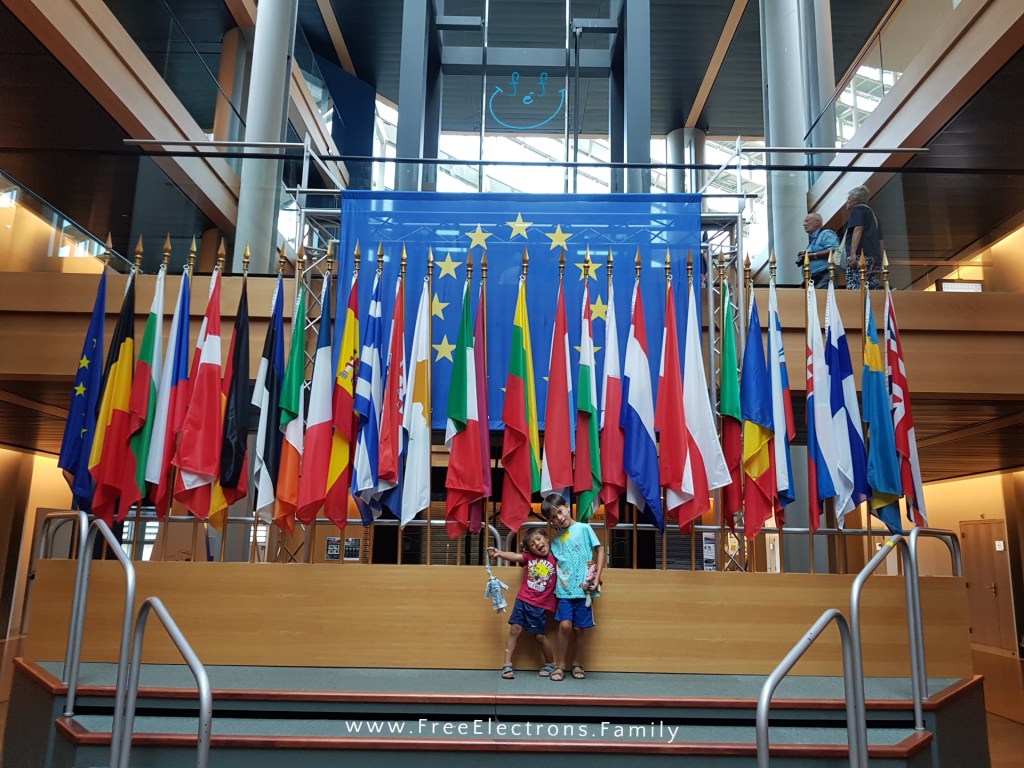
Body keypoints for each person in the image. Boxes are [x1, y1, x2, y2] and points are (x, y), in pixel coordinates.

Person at [540, 494, 605, 682]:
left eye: (559, 512)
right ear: (550, 521)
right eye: (553, 517)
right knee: (565, 625)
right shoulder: (555, 541)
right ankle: (559, 665)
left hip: (584, 589)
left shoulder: (584, 528)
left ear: (567, 507)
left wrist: (597, 576)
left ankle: (577, 663)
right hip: (564, 591)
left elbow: (600, 549)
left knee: (579, 629)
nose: (558, 518)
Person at [486, 528, 557, 679]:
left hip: (540, 605)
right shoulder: (529, 557)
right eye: (532, 543)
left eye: (538, 539)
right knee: (514, 630)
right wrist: (499, 553)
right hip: (523, 600)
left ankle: (551, 662)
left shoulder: (557, 558)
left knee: (539, 636)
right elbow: (514, 556)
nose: (537, 544)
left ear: (546, 538)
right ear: (529, 549)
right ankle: (507, 664)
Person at [843, 185, 884, 289]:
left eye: (849, 199)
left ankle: (860, 305)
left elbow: (858, 230)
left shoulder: (857, 210)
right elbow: (880, 239)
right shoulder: (874, 214)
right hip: (874, 256)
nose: (847, 202)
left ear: (856, 200)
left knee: (856, 286)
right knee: (872, 286)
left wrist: (852, 253)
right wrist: (880, 257)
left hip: (860, 256)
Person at [798, 212, 839, 289]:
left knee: (820, 299)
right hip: (813, 279)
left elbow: (834, 250)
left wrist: (813, 256)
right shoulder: (812, 240)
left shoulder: (826, 234)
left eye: (807, 221)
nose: (804, 224)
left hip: (825, 275)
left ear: (817, 222)